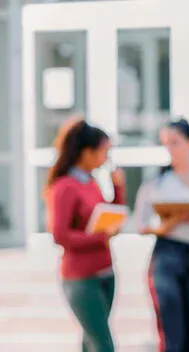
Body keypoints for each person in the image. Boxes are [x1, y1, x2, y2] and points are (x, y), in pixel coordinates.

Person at [133, 118, 189, 352]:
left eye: (175, 142)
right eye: (165, 143)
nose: (170, 149)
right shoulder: (158, 183)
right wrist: (163, 227)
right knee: (171, 328)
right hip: (167, 254)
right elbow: (141, 224)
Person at [46, 120, 125, 352]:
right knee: (103, 345)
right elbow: (60, 236)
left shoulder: (90, 182)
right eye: (104, 152)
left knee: (91, 342)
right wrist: (100, 238)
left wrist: (117, 188)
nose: (106, 158)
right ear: (86, 152)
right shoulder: (65, 187)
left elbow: (112, 216)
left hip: (105, 273)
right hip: (81, 279)